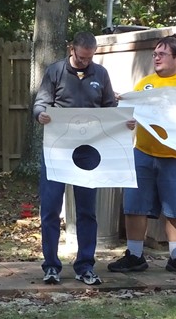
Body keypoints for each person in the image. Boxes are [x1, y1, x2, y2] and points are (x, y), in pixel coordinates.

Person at [108, 36, 176, 276]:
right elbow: (133, 115)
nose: (156, 58)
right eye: (155, 54)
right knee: (134, 206)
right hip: (143, 154)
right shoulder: (146, 83)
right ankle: (134, 256)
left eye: (162, 54)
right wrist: (126, 115)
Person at [32, 31, 118, 285]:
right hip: (57, 149)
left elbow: (110, 108)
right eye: (81, 58)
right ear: (72, 50)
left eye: (89, 58)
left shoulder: (100, 74)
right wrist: (41, 114)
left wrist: (123, 122)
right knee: (50, 208)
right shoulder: (55, 71)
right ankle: (51, 266)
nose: (85, 62)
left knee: (87, 210)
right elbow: (40, 103)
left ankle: (85, 265)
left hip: (88, 151)